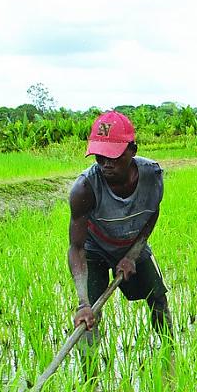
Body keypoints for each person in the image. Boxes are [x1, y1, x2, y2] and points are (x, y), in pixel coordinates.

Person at [67, 111, 171, 351]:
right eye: (100, 157)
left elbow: (152, 213)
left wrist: (132, 255)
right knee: (89, 317)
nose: (106, 164)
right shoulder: (84, 188)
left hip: (131, 244)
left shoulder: (152, 176)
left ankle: (170, 354)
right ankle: (90, 381)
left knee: (158, 298)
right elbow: (77, 247)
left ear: (132, 150)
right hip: (94, 250)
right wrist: (83, 302)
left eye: (113, 156)